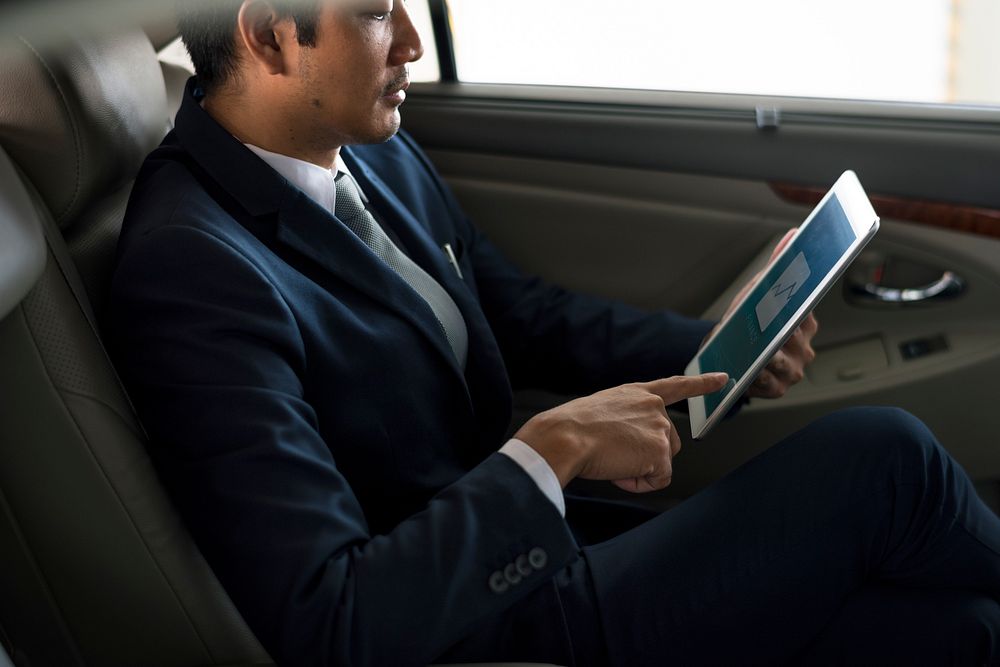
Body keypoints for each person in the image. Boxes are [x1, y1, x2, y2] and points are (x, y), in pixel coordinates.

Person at [108, 1, 1000, 665]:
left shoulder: (366, 140)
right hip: (482, 623)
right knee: (885, 456)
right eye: (377, 15)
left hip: (549, 547)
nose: (414, 39)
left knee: (953, 629)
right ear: (268, 34)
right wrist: (549, 451)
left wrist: (713, 351)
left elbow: (519, 313)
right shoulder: (191, 268)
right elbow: (334, 618)